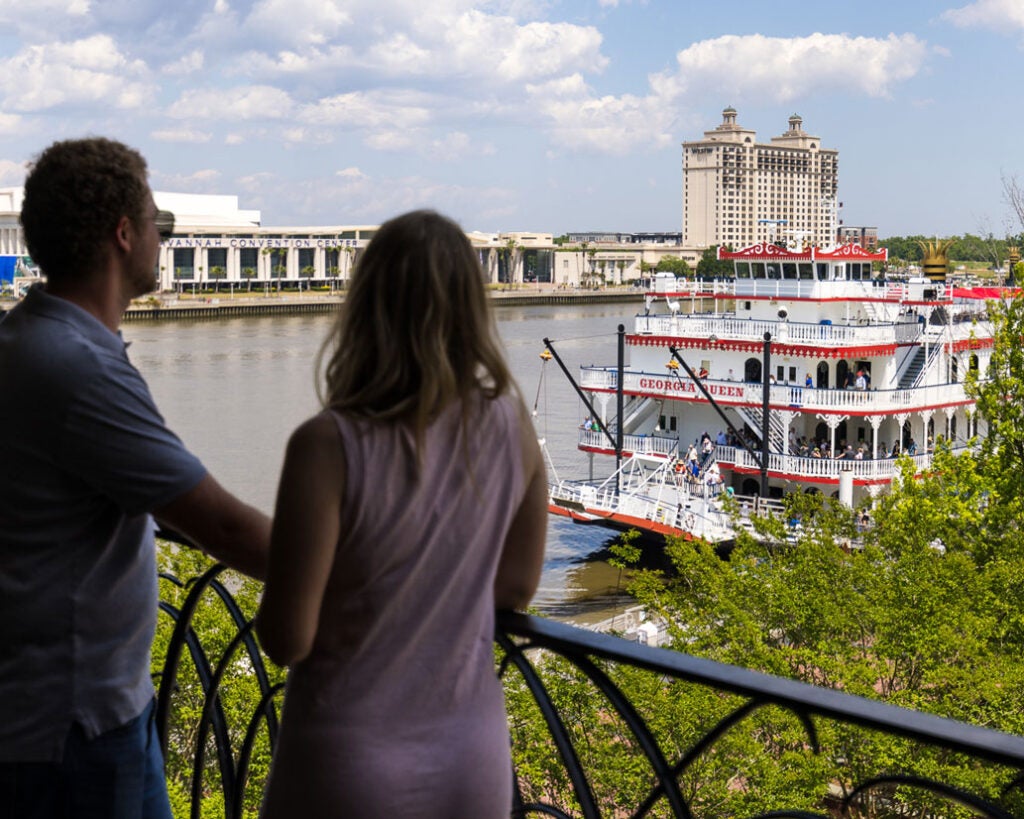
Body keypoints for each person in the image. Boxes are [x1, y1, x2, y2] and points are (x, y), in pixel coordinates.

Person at [0, 138, 271, 819]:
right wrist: (382, 571)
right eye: (162, 225)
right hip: (74, 728)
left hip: (64, 715)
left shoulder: (25, 340)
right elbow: (224, 524)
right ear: (125, 235)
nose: (164, 240)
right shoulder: (79, 369)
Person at [255, 210, 547, 818]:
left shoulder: (326, 444)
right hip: (473, 759)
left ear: (364, 309)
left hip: (349, 760)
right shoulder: (511, 423)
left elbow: (287, 638)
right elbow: (517, 586)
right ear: (472, 311)